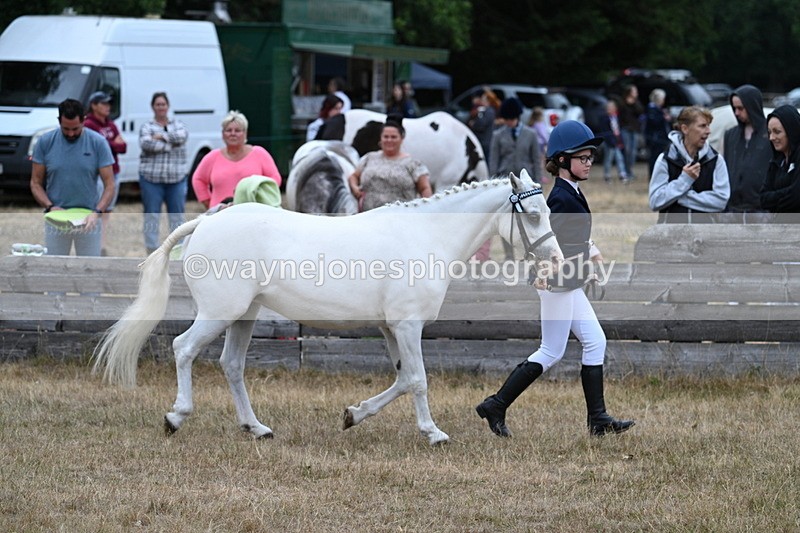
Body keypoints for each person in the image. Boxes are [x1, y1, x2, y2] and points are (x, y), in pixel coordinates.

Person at [475, 120, 635, 438]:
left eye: (591, 158)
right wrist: (547, 274)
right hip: (557, 282)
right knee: (551, 350)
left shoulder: (570, 192)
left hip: (568, 281)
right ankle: (495, 404)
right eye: (582, 157)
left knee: (595, 341)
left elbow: (573, 237)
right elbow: (547, 240)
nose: (589, 162)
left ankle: (598, 419)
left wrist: (593, 253)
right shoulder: (560, 197)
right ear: (562, 160)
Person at [30, 98, 115, 256]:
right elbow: (35, 183)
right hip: (56, 219)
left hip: (89, 218)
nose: (70, 133)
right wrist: (49, 207)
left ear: (84, 120)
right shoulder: (45, 142)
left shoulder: (98, 143)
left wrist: (97, 212)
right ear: (59, 121)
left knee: (89, 269)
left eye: (75, 129)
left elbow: (110, 184)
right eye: (65, 129)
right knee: (55, 267)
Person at [649, 106, 730, 223]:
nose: (708, 131)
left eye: (708, 125)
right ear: (685, 129)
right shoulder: (666, 159)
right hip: (671, 234)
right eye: (702, 126)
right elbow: (655, 202)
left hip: (705, 235)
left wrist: (681, 197)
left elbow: (721, 201)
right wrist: (684, 180)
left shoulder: (716, 160)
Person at [192, 110, 282, 209]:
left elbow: (274, 178)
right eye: (228, 130)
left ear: (245, 133)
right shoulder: (212, 156)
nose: (233, 134)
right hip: (220, 214)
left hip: (254, 210)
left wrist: (263, 196)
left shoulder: (259, 153)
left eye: (237, 130)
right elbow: (198, 179)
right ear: (222, 134)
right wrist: (208, 203)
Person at [490, 97, 542, 260]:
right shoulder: (498, 135)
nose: (508, 123)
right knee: (507, 220)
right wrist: (493, 183)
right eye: (506, 120)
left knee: (528, 220)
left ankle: (528, 251)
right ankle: (509, 255)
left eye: (511, 119)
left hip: (526, 185)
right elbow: (493, 160)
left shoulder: (530, 134)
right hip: (506, 183)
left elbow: (536, 160)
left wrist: (538, 184)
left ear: (517, 118)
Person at [139, 92, 189, 254]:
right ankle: (152, 251)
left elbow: (183, 136)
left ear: (168, 106)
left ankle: (178, 250)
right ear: (153, 107)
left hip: (177, 179)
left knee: (177, 217)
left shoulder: (178, 124)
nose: (161, 107)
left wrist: (161, 137)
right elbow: (146, 144)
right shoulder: (147, 126)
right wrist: (170, 143)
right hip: (151, 179)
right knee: (152, 216)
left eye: (163, 104)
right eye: (157, 104)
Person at [347, 114, 432, 211]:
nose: (389, 140)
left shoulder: (414, 164)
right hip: (368, 217)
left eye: (393, 137)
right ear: (380, 138)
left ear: (401, 139)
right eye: (386, 137)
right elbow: (354, 176)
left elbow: (425, 188)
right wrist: (354, 188)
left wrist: (426, 210)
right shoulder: (369, 158)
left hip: (401, 217)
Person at [84, 91, 127, 256]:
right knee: (97, 208)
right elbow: (102, 147)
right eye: (103, 103)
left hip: (113, 171)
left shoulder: (111, 124)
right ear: (94, 105)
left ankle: (102, 245)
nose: (108, 107)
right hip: (98, 174)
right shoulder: (89, 124)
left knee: (108, 209)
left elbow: (123, 147)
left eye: (109, 104)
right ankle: (93, 244)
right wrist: (112, 144)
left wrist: (111, 145)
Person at [721, 85, 773, 222]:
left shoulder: (772, 134)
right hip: (733, 209)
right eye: (734, 108)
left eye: (741, 108)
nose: (737, 113)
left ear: (752, 106)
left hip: (761, 209)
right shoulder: (730, 135)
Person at [760, 105, 800, 221]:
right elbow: (763, 198)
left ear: (791, 130)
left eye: (777, 132)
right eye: (769, 132)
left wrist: (774, 198)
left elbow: (796, 196)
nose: (772, 137)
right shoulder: (776, 161)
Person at [598, 99, 631, 183]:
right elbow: (604, 131)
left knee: (619, 158)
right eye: (608, 107)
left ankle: (622, 174)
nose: (609, 109)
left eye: (611, 107)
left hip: (617, 141)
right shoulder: (604, 118)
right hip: (609, 141)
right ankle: (607, 175)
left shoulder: (617, 117)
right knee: (608, 158)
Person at [643, 89, 671, 178]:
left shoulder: (659, 109)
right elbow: (654, 122)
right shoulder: (651, 109)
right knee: (655, 159)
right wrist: (664, 117)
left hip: (661, 138)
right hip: (655, 139)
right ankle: (653, 177)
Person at [618, 84, 644, 179]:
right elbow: (621, 116)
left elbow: (640, 111)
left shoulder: (636, 103)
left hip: (634, 129)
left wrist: (635, 102)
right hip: (625, 129)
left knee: (633, 152)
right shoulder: (622, 103)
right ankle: (625, 171)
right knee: (627, 150)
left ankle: (630, 170)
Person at [467, 89, 496, 161]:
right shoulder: (482, 110)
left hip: (485, 142)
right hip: (481, 141)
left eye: (484, 99)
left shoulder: (489, 111)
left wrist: (473, 124)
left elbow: (481, 125)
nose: (482, 101)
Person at [528, 107, 550, 180]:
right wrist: (547, 142)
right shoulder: (539, 124)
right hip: (540, 145)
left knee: (535, 160)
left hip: (534, 144)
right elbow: (544, 135)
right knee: (541, 161)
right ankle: (540, 176)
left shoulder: (532, 124)